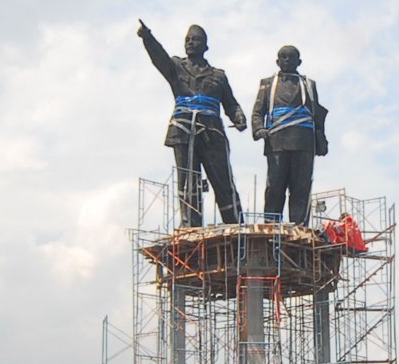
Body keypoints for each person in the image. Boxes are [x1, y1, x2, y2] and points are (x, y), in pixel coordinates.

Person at [138, 20, 246, 227]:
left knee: (222, 179)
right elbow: (159, 58)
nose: (190, 43)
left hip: (212, 132)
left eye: (195, 40)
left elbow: (231, 103)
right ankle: (191, 223)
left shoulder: (218, 76)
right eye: (187, 40)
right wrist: (148, 38)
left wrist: (238, 117)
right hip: (183, 130)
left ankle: (234, 223)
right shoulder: (176, 67)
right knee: (188, 181)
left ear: (205, 46)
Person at [251, 45, 328, 225]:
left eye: (290, 57)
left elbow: (316, 114)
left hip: (304, 142)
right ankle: (271, 225)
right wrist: (258, 128)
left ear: (299, 62)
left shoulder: (309, 85)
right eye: (282, 57)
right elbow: (257, 112)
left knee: (301, 187)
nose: (286, 60)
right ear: (277, 61)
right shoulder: (267, 84)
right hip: (276, 141)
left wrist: (321, 138)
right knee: (275, 187)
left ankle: (299, 224)